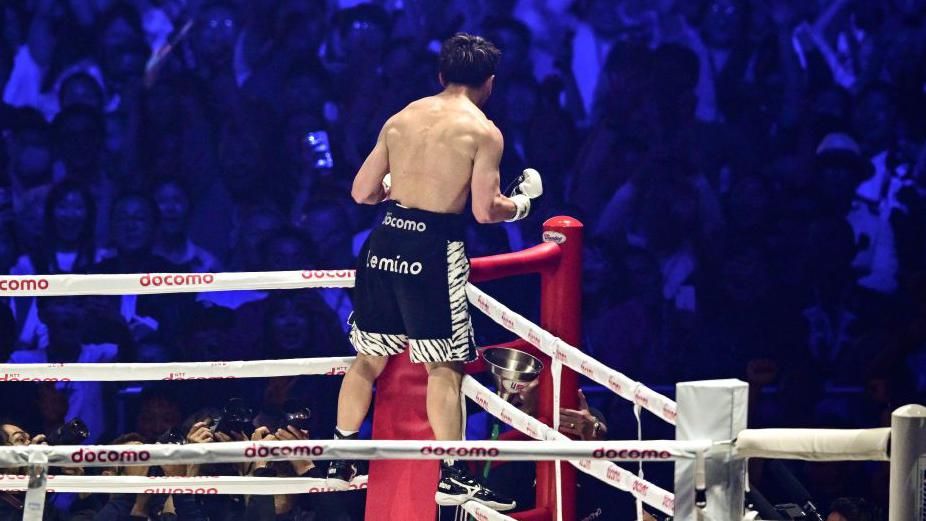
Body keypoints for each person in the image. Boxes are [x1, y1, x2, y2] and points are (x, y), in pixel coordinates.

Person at [325, 33, 543, 512]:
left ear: (441, 75)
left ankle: (340, 455)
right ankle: (451, 473)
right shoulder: (482, 131)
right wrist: (523, 204)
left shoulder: (403, 117)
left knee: (368, 358)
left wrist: (398, 186)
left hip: (383, 244)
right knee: (444, 365)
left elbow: (361, 192)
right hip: (431, 248)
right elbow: (486, 212)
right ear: (489, 83)